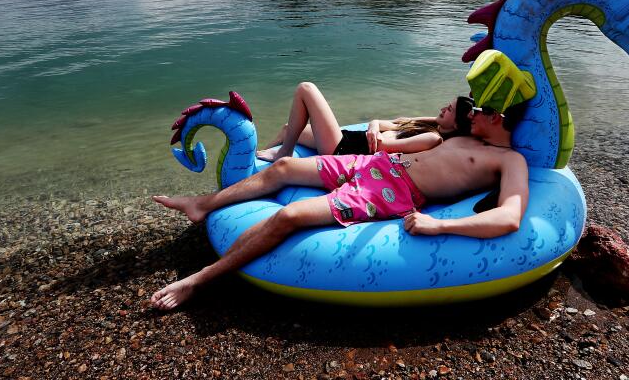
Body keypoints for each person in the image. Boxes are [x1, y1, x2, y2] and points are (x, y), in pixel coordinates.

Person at [150, 95, 530, 310]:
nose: (471, 113)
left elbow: (510, 217)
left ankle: (198, 281)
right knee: (282, 165)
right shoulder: (469, 137)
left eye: (479, 111)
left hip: (392, 192)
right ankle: (202, 203)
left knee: (291, 214)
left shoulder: (508, 160)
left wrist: (441, 225)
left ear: (497, 119)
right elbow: (428, 121)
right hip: (376, 163)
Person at [256, 82, 455, 161]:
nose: (442, 109)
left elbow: (384, 147)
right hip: (347, 139)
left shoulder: (432, 138)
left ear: (456, 125)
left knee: (305, 89)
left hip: (343, 148)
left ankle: (284, 153)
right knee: (288, 129)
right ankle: (254, 168)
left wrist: (375, 132)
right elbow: (389, 122)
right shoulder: (424, 128)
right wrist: (374, 126)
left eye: (449, 109)